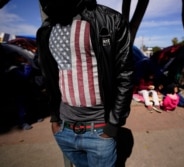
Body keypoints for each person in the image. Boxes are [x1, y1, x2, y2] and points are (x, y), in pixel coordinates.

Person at [36, 0, 134, 167]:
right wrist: (54, 118)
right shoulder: (46, 29)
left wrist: (113, 125)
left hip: (100, 131)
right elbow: (49, 75)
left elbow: (125, 75)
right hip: (64, 130)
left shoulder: (110, 19)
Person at [5, 53, 33, 130]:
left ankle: (28, 119)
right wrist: (27, 66)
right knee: (21, 107)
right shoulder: (13, 69)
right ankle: (23, 123)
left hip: (20, 90)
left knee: (25, 105)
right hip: (18, 91)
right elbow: (24, 76)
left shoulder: (15, 67)